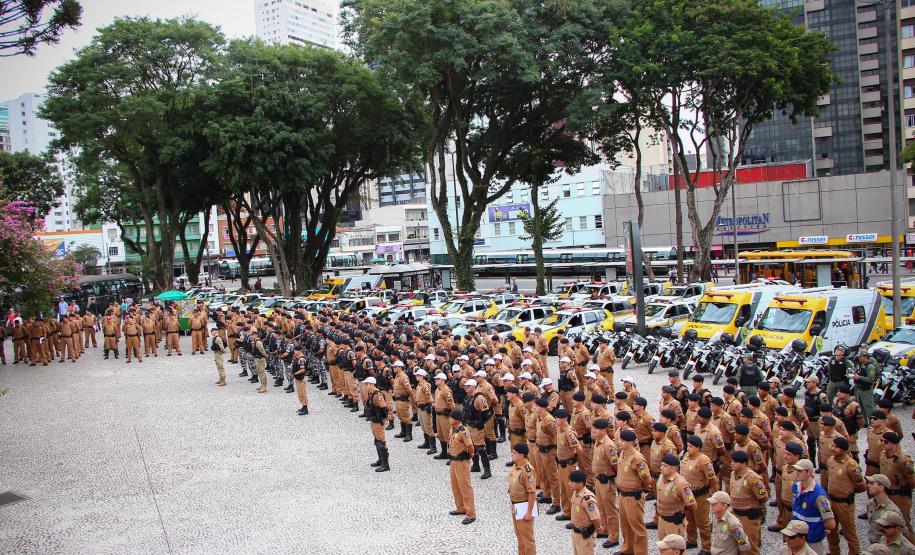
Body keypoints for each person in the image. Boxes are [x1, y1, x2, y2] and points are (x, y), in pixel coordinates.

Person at [822, 436, 865, 555]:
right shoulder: (831, 460)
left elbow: (861, 486)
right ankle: (834, 552)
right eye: (833, 446)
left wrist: (847, 492)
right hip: (831, 501)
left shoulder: (851, 465)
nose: (833, 449)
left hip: (844, 503)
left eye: (836, 447)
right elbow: (828, 477)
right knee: (831, 530)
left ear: (844, 450)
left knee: (849, 533)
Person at [616, 428, 653, 555]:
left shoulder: (637, 458)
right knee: (625, 525)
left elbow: (647, 479)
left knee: (637, 527)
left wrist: (638, 489)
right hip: (622, 494)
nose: (620, 442)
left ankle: (641, 552)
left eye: (623, 441)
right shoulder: (623, 453)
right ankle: (628, 549)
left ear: (630, 442)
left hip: (633, 496)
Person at [791, 458, 835, 554]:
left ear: (809, 472)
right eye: (796, 470)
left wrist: (819, 530)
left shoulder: (819, 496)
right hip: (795, 536)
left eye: (800, 471)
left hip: (811, 540)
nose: (796, 473)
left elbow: (830, 523)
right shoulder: (796, 487)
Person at [730, 450, 768, 555]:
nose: (731, 463)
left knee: (750, 547)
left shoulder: (753, 478)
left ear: (743, 464)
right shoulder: (733, 474)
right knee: (738, 545)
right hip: (736, 514)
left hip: (748, 517)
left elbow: (763, 497)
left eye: (734, 462)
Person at [590, 418, 619, 549]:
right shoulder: (598, 441)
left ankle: (614, 536)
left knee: (610, 510)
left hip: (607, 480)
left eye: (595, 429)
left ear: (603, 431)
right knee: (601, 507)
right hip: (598, 479)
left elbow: (615, 464)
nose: (593, 431)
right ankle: (604, 529)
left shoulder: (608, 445)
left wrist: (613, 478)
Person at [879, 431, 915, 536]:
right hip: (886, 494)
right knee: (887, 523)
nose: (882, 443)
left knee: (903, 524)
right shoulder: (882, 454)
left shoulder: (903, 460)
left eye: (885, 442)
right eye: (881, 440)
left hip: (900, 496)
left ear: (894, 444)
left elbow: (912, 480)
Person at [448, 408, 476, 524]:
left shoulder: (463, 431)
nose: (449, 419)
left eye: (451, 417)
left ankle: (471, 514)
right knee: (455, 486)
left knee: (465, 487)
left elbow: (470, 447)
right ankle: (461, 507)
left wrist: (470, 456)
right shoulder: (453, 429)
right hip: (453, 461)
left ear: (457, 420)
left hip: (462, 462)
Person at [508, 443, 536, 555]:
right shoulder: (515, 466)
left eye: (514, 453)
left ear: (522, 455)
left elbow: (532, 493)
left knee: (527, 538)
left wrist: (529, 512)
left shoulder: (527, 470)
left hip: (523, 506)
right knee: (519, 536)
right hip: (515, 505)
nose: (512, 454)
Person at [866, 474, 909, 544]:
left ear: (881, 488)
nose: (868, 485)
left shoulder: (892, 510)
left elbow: (904, 533)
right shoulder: (871, 504)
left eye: (872, 483)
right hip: (873, 546)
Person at [568, 469, 600, 555]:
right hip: (576, 532)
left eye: (572, 482)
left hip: (585, 535)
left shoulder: (587, 499)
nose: (569, 483)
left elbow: (595, 517)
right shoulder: (575, 493)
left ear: (580, 483)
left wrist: (596, 531)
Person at [709, 490, 751, 554]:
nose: (711, 505)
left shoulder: (732, 523)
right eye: (711, 503)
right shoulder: (715, 517)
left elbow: (743, 544)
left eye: (715, 503)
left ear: (724, 505)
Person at [364, 377, 391, 473]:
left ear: (372, 384)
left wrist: (385, 419)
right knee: (377, 441)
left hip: (378, 422)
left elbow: (384, 407)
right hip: (373, 421)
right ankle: (380, 460)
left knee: (381, 442)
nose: (365, 386)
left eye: (367, 384)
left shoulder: (377, 395)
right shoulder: (371, 394)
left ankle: (386, 465)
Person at [853, 350, 879, 419]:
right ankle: (866, 422)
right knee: (862, 407)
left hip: (866, 390)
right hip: (859, 388)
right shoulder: (861, 365)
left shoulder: (870, 366)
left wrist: (859, 377)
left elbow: (871, 379)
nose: (859, 358)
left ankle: (872, 422)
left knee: (868, 407)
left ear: (865, 356)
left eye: (860, 357)